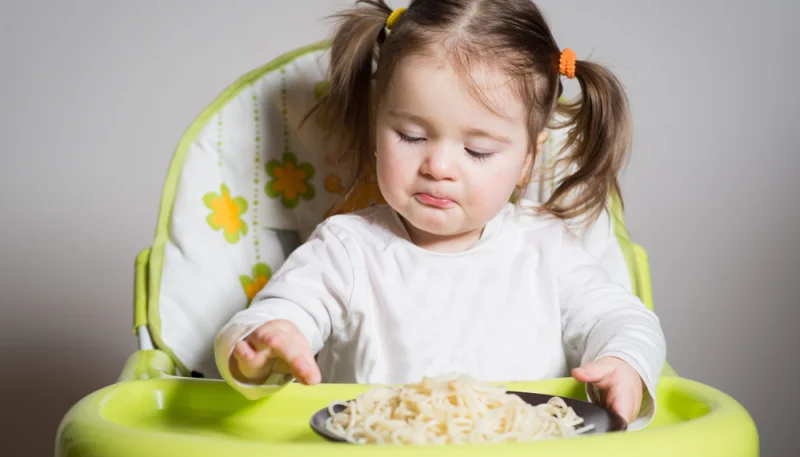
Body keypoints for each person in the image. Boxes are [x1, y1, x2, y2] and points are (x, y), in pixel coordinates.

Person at [214, 0, 666, 430]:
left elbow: (623, 320)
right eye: (411, 136)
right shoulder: (346, 248)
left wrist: (624, 362)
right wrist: (264, 347)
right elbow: (279, 312)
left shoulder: (547, 249)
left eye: (477, 150)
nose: (439, 167)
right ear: (377, 128)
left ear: (529, 159)